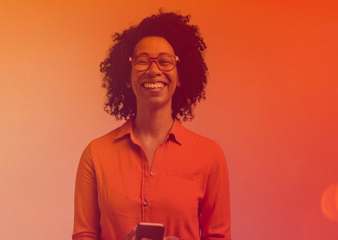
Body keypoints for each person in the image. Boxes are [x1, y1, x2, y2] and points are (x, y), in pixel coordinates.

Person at [73, 11, 231, 240]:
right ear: (126, 77)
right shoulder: (95, 155)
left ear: (181, 75)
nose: (154, 70)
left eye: (166, 61)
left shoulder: (210, 155)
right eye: (142, 61)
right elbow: (83, 236)